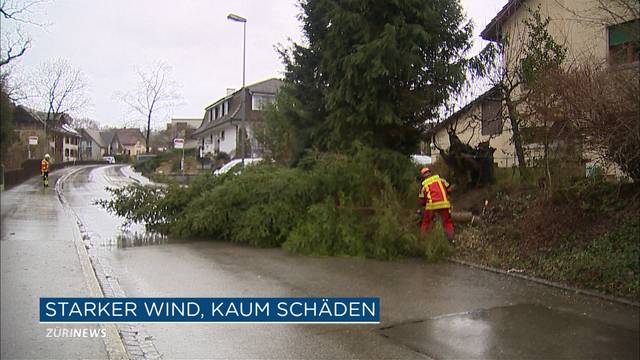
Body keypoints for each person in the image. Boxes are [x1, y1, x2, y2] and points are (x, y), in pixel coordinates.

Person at [417, 167, 454, 242]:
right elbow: (449, 189)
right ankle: (451, 240)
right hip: (444, 204)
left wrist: (424, 204)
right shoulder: (440, 179)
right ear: (430, 173)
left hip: (431, 206)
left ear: (423, 176)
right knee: (447, 222)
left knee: (426, 223)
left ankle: (422, 240)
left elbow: (421, 201)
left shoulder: (424, 185)